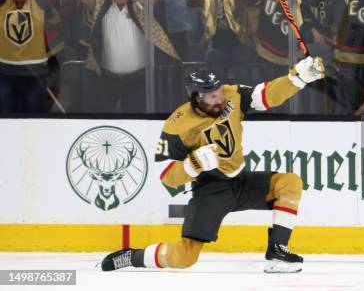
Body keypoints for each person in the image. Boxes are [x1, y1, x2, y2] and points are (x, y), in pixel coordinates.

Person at [100, 56, 325, 273]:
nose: (219, 99)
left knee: (289, 183)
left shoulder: (231, 95)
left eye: (218, 92)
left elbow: (267, 95)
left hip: (240, 180)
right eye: (211, 97)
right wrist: (193, 164)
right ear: (196, 97)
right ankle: (132, 257)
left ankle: (277, 250)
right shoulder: (178, 125)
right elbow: (166, 175)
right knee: (184, 258)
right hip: (211, 189)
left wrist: (298, 79)